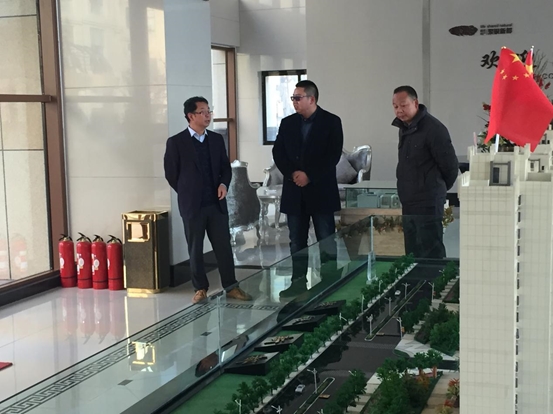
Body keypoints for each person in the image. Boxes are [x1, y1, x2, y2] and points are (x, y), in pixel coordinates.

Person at [164, 96, 251, 304]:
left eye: (208, 111)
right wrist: (188, 191)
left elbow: (225, 168)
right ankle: (200, 289)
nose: (207, 115)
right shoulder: (176, 142)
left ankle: (231, 286)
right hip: (192, 205)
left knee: (223, 247)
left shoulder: (216, 139)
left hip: (216, 204)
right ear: (191, 116)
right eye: (202, 112)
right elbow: (171, 174)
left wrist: (223, 184)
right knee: (195, 249)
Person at [272, 80, 343, 297]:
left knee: (326, 238)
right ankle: (298, 282)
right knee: (296, 241)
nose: (294, 101)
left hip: (321, 190)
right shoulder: (287, 123)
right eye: (293, 98)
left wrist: (309, 175)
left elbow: (333, 155)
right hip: (295, 191)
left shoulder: (331, 121)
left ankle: (329, 282)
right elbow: (278, 152)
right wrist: (293, 173)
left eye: (298, 97)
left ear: (311, 99)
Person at [391, 86, 458, 258]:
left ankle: (434, 277)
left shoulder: (433, 129)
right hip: (409, 199)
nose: (399, 110)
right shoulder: (404, 128)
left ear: (415, 103)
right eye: (395, 106)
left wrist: (435, 187)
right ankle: (415, 277)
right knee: (412, 250)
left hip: (428, 200)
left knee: (430, 249)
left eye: (403, 105)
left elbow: (450, 166)